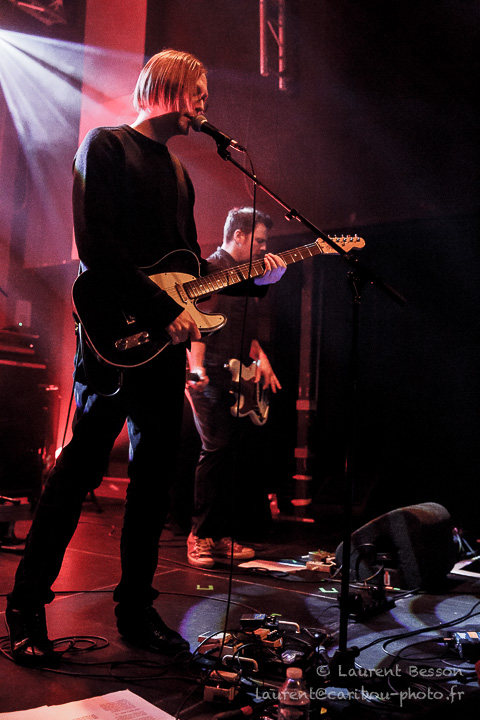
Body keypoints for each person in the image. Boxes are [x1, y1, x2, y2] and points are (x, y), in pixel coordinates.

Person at [5, 50, 286, 665]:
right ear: (164, 86)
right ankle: (25, 605)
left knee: (154, 482)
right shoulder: (105, 146)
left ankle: (135, 608)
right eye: (197, 90)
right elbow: (96, 245)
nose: (204, 103)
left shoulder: (180, 174)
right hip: (114, 340)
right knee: (79, 469)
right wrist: (160, 311)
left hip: (161, 350)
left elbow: (187, 271)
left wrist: (252, 280)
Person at [186, 207, 283, 569]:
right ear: (239, 235)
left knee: (229, 456)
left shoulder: (246, 278)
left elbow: (241, 328)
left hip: (235, 376)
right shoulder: (213, 270)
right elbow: (198, 326)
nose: (263, 247)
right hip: (209, 374)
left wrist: (262, 357)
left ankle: (220, 533)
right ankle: (199, 536)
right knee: (216, 450)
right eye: (259, 240)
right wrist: (196, 369)